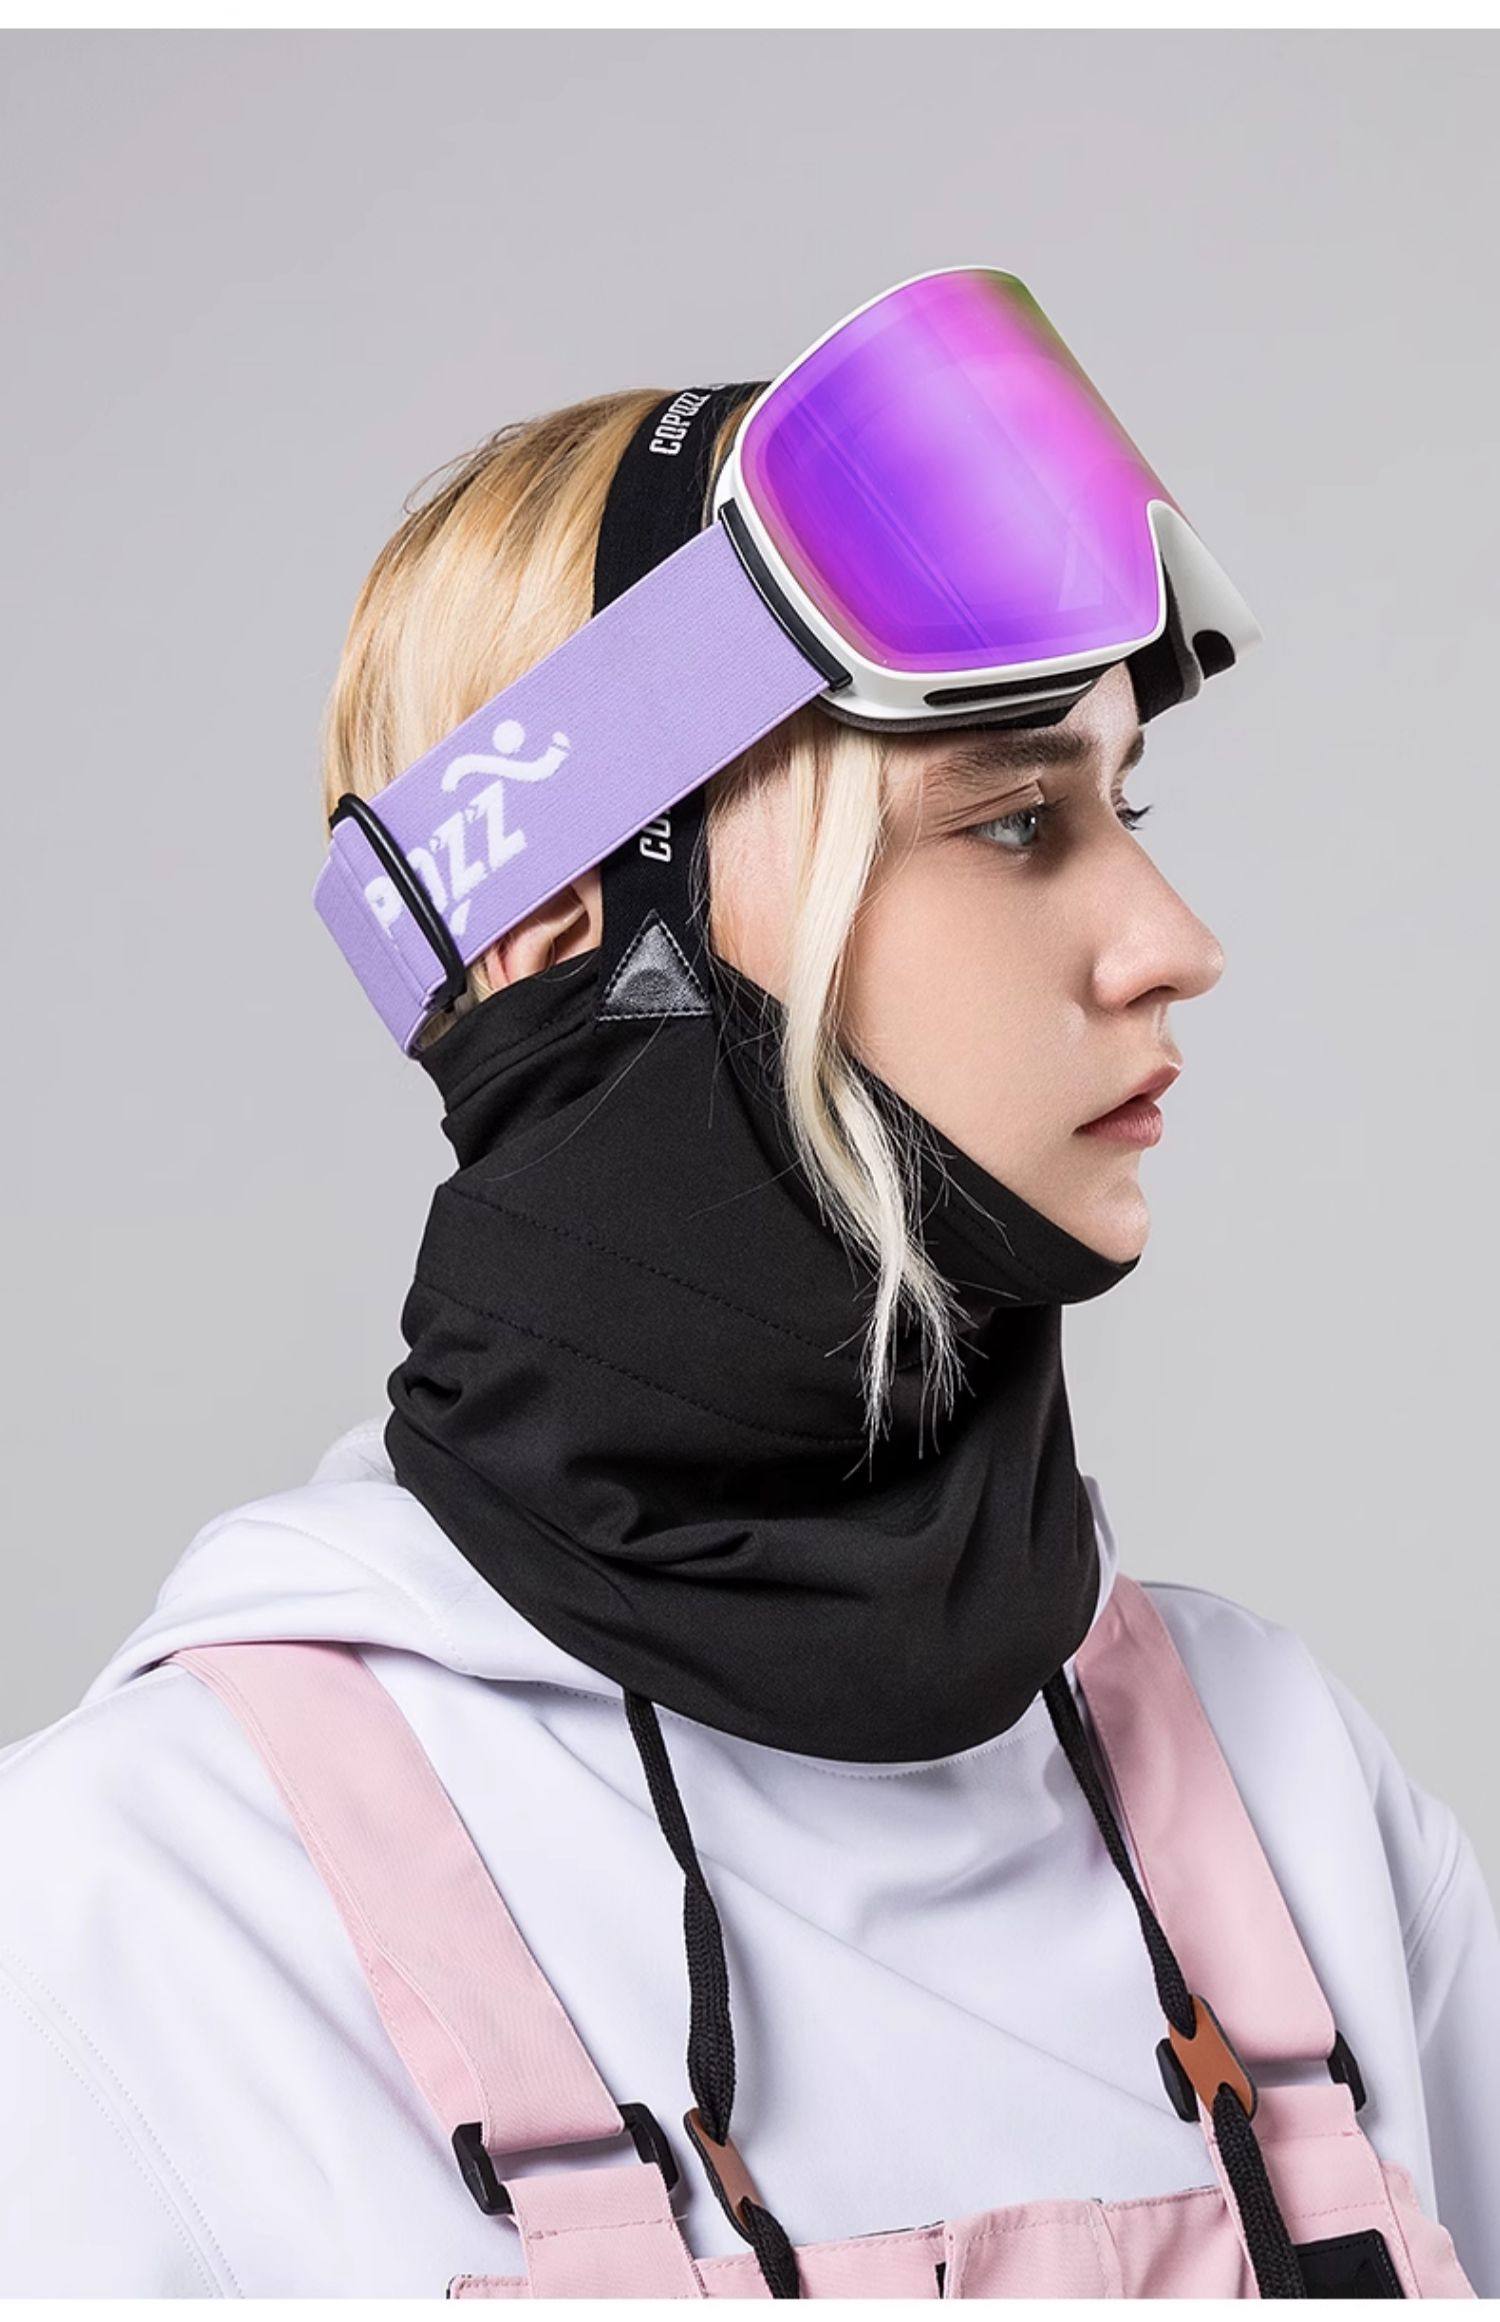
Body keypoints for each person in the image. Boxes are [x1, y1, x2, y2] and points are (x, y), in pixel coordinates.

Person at [0, 275, 1494, 2300]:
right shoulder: (149, 1916)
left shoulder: (1289, 1789)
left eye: (1122, 800)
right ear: (550, 917)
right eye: (1014, 819)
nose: (1170, 939)